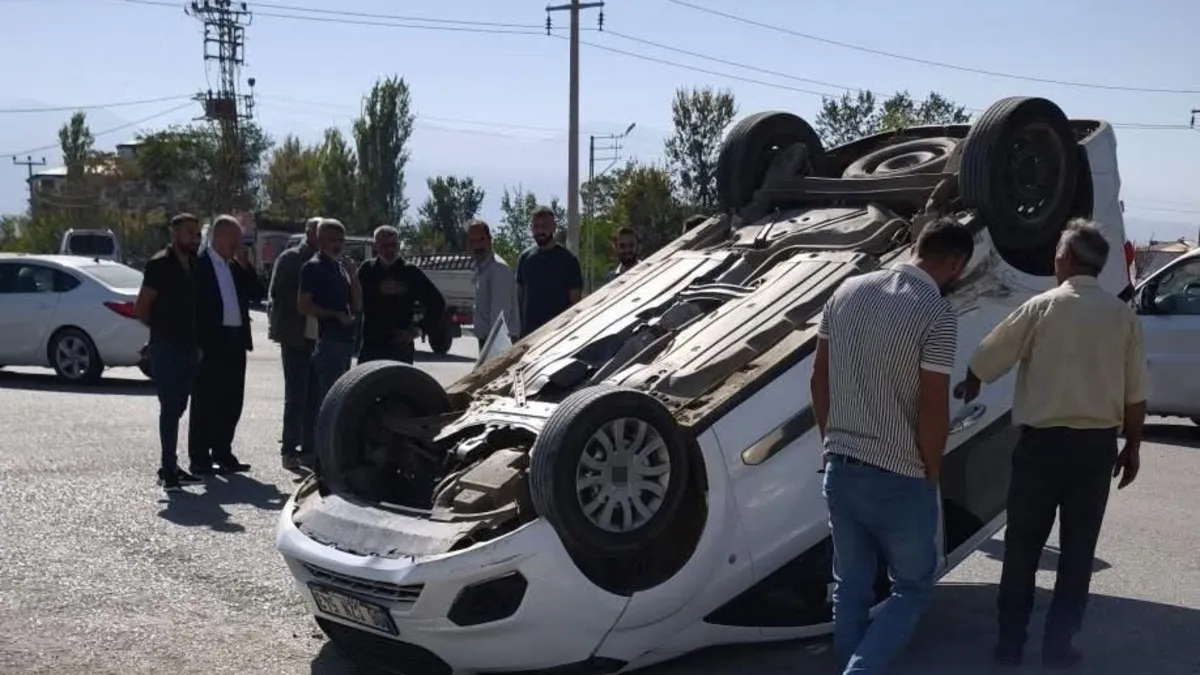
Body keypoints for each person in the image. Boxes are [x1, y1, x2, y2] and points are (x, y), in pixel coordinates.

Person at [954, 220, 1146, 670]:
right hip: (1096, 450)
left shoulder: (1042, 307)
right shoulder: (1123, 317)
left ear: (1064, 258)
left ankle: (1010, 644)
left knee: (1022, 548)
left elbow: (986, 357)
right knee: (1078, 551)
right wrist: (1133, 446)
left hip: (1041, 448)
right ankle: (1059, 646)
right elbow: (1136, 393)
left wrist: (973, 383)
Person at [810, 217, 975, 675]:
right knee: (912, 587)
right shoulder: (937, 314)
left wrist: (830, 442)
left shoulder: (845, 292)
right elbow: (932, 407)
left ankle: (850, 662)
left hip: (840, 469)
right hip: (899, 475)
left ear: (917, 246)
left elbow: (818, 380)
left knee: (851, 587)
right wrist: (931, 470)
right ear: (957, 264)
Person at [187, 215, 263, 476]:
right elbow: (192, 307)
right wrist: (195, 343)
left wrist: (246, 265)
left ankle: (222, 451)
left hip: (235, 342)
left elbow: (257, 293)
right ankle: (199, 457)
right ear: (219, 237)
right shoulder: (199, 265)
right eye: (234, 239)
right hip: (210, 343)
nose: (238, 245)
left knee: (232, 400)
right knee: (205, 401)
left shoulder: (234, 267)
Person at [134, 213, 204, 492]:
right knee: (169, 407)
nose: (195, 239)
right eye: (190, 233)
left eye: (197, 234)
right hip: (165, 347)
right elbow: (141, 309)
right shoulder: (159, 265)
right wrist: (162, 331)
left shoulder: (195, 265)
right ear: (175, 235)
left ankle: (171, 466)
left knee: (178, 407)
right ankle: (168, 468)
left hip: (190, 348)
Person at [298, 219, 360, 445]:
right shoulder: (313, 267)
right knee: (328, 402)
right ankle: (320, 456)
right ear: (321, 240)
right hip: (328, 342)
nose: (338, 245)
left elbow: (358, 305)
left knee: (340, 400)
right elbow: (304, 305)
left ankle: (328, 452)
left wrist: (353, 276)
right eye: (333, 240)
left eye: (341, 240)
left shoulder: (340, 268)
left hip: (345, 342)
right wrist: (334, 315)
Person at [268, 217, 320, 471]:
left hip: (320, 338)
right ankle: (289, 450)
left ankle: (309, 450)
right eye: (318, 232)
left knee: (315, 398)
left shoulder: (329, 261)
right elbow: (278, 293)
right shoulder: (290, 259)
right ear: (309, 234)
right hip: (295, 336)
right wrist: (308, 297)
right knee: (296, 397)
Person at [356, 225, 446, 364]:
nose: (390, 250)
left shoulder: (410, 272)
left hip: (400, 347)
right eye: (385, 245)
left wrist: (418, 330)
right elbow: (355, 300)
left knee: (398, 385)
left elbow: (437, 303)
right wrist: (376, 290)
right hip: (371, 346)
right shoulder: (367, 270)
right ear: (375, 246)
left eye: (394, 245)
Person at [516, 206, 583, 338]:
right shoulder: (525, 258)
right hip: (527, 337)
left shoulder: (568, 260)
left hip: (556, 337)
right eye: (536, 226)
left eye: (544, 226)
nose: (540, 230)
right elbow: (518, 298)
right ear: (531, 228)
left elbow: (575, 303)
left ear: (553, 227)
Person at [467, 219, 520, 348]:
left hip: (498, 342)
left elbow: (499, 318)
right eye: (473, 241)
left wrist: (493, 349)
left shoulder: (498, 269)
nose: (477, 246)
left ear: (490, 239)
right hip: (489, 341)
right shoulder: (482, 268)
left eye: (481, 240)